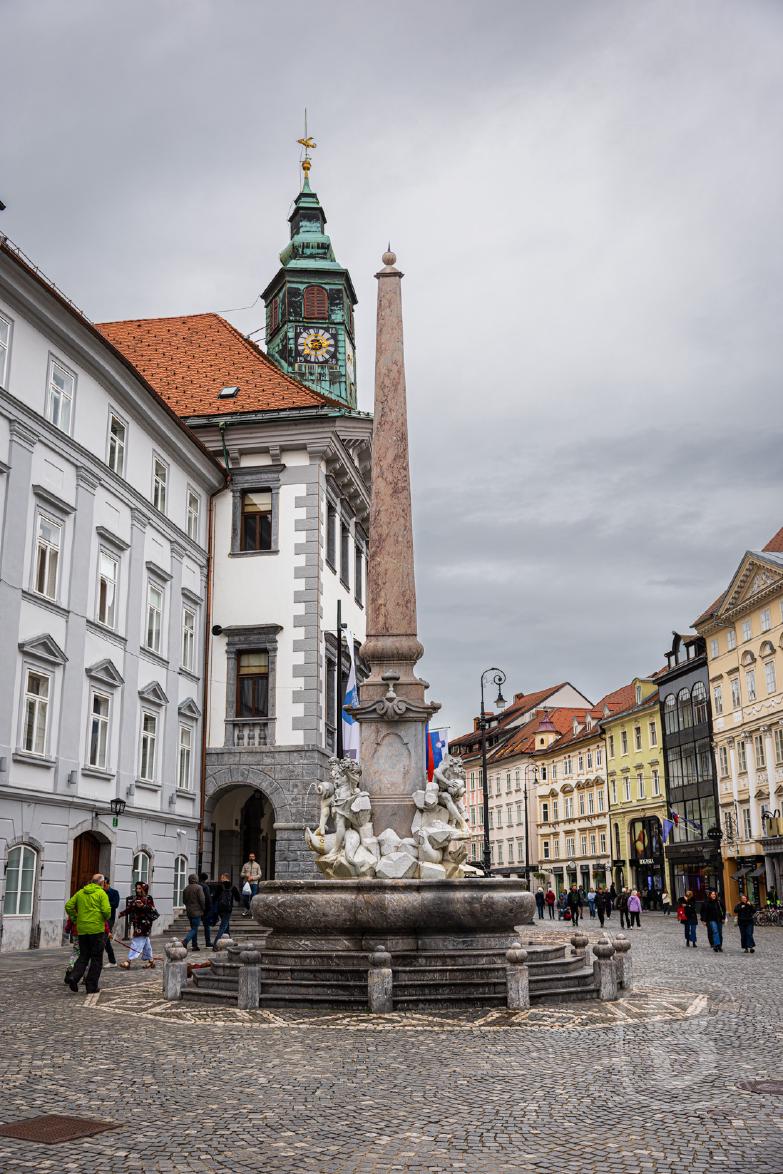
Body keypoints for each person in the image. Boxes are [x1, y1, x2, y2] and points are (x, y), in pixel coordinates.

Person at [64, 873, 112, 994]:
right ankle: (91, 986)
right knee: (96, 958)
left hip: (82, 929)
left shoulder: (81, 892)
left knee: (83, 955)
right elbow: (106, 911)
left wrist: (75, 918)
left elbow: (69, 906)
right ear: (102, 883)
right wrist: (104, 918)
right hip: (97, 929)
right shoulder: (101, 893)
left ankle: (73, 977)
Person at [119, 883, 159, 969]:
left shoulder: (148, 898)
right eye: (137, 888)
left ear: (144, 889)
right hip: (137, 924)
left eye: (140, 888)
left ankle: (128, 961)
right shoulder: (135, 899)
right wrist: (122, 913)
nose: (137, 890)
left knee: (136, 941)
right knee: (146, 943)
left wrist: (143, 906)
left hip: (145, 925)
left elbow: (152, 909)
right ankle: (151, 961)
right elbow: (129, 908)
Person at [213, 875, 240, 947]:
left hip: (220, 909)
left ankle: (229, 941)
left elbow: (214, 898)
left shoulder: (219, 886)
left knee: (226, 924)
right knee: (223, 926)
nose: (220, 879)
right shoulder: (233, 887)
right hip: (228, 909)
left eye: (222, 878)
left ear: (225, 878)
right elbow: (238, 898)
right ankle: (215, 944)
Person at [181, 873, 206, 952]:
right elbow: (202, 899)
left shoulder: (186, 889)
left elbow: (184, 901)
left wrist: (189, 906)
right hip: (197, 911)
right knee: (195, 929)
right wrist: (203, 908)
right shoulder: (199, 887)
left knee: (193, 928)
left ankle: (195, 945)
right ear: (196, 879)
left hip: (189, 912)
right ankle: (185, 941)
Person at [102, 876, 120, 967]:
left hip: (110, 918)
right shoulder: (100, 892)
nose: (103, 886)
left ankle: (111, 961)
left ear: (108, 884)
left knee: (104, 938)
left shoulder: (114, 892)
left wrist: (105, 903)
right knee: (105, 940)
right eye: (102, 884)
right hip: (100, 918)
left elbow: (115, 904)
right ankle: (112, 961)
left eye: (104, 885)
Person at [199, 871, 214, 947]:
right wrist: (210, 908)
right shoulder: (205, 887)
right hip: (205, 909)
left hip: (197, 908)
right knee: (207, 926)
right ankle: (208, 942)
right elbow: (208, 898)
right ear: (206, 879)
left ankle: (194, 944)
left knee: (194, 927)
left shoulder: (197, 885)